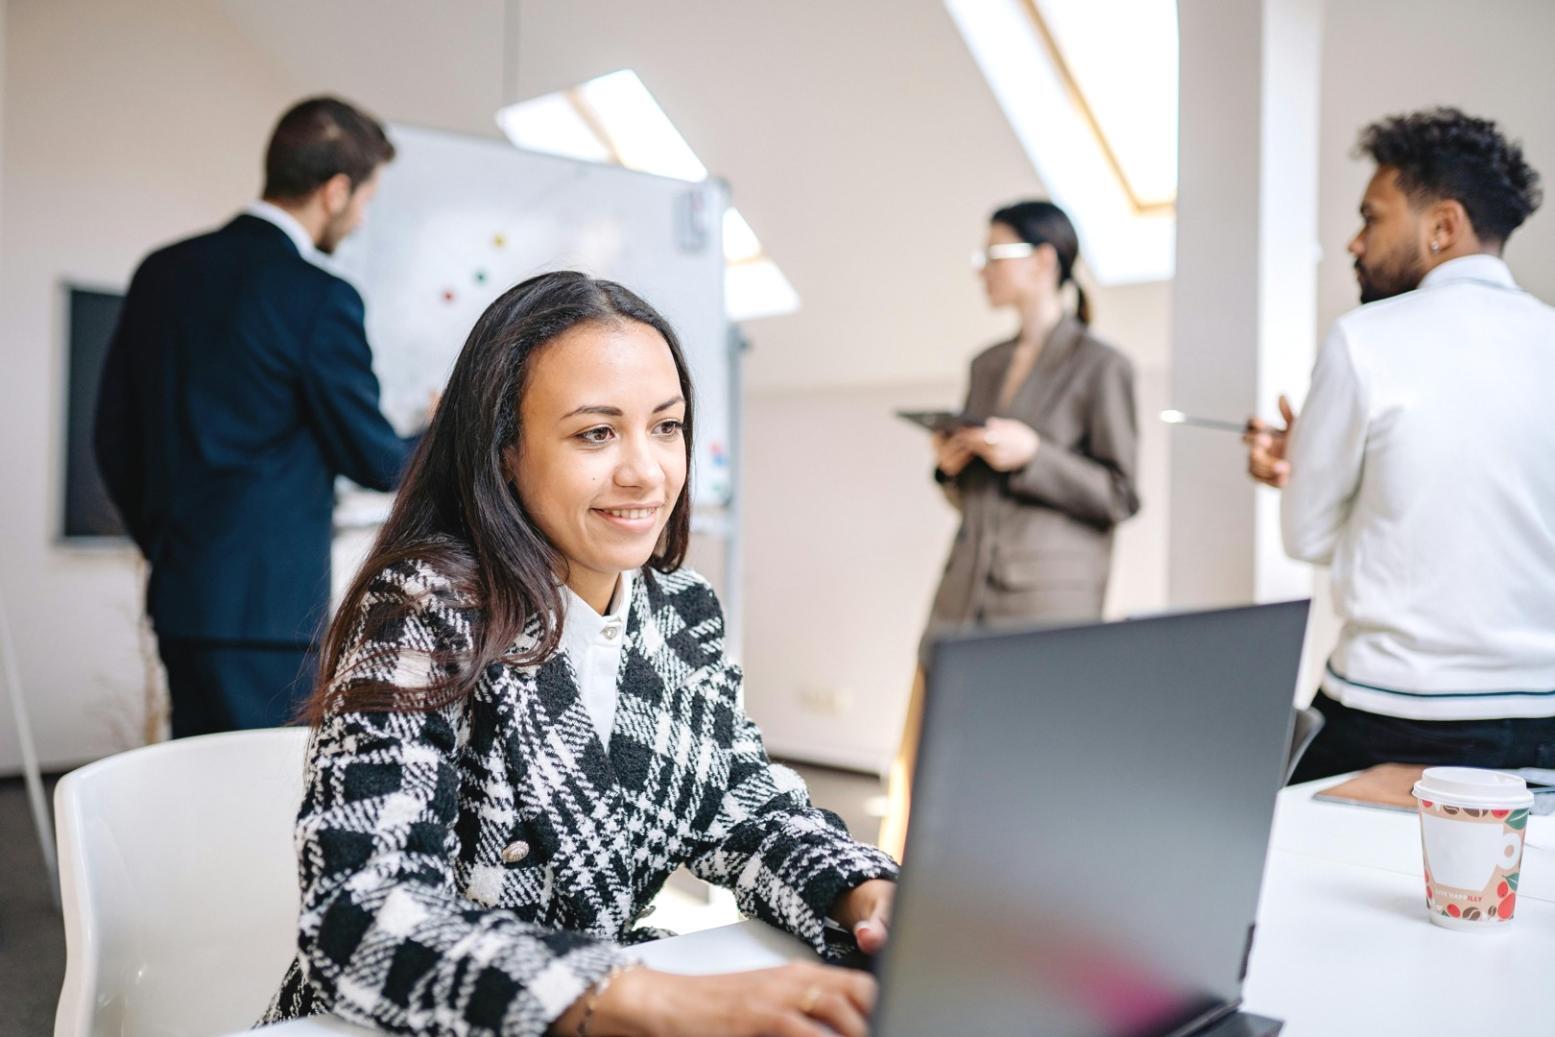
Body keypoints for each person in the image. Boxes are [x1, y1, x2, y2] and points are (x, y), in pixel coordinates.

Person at [260, 272, 899, 1037]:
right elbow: (360, 920)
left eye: (666, 426)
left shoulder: (680, 608)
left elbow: (744, 809)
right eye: (596, 433)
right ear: (504, 450)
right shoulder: (420, 606)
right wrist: (642, 995)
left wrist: (862, 891)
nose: (645, 470)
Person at [1244, 108, 1555, 782]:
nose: (1354, 242)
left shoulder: (1364, 338)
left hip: (1393, 716)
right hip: (1543, 720)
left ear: (1441, 225)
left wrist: (1310, 468)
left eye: (1371, 218)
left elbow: (1304, 536)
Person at [94, 97, 417, 737]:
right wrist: (445, 426)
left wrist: (167, 543)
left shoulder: (162, 273)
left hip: (183, 596)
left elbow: (114, 439)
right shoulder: (318, 297)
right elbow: (378, 460)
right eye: (364, 200)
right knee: (262, 802)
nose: (359, 219)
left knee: (197, 787)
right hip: (271, 616)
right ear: (334, 191)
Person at [924, 200, 1140, 640]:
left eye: (993, 257)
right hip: (962, 597)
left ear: (1043, 260)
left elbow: (1120, 496)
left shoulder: (1101, 366)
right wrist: (950, 469)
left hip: (1044, 605)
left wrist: (1034, 455)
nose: (981, 270)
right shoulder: (985, 365)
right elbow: (977, 499)